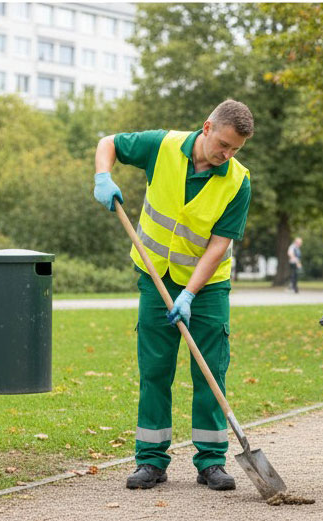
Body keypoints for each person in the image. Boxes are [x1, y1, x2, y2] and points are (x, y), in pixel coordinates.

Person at [91, 99, 254, 492]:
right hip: (154, 275)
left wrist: (191, 294)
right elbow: (108, 143)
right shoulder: (161, 146)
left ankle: (211, 461)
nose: (226, 155)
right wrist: (102, 176)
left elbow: (218, 246)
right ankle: (150, 460)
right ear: (207, 127)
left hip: (209, 286)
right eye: (224, 145)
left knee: (210, 369)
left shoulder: (237, 180)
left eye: (235, 149)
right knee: (155, 368)